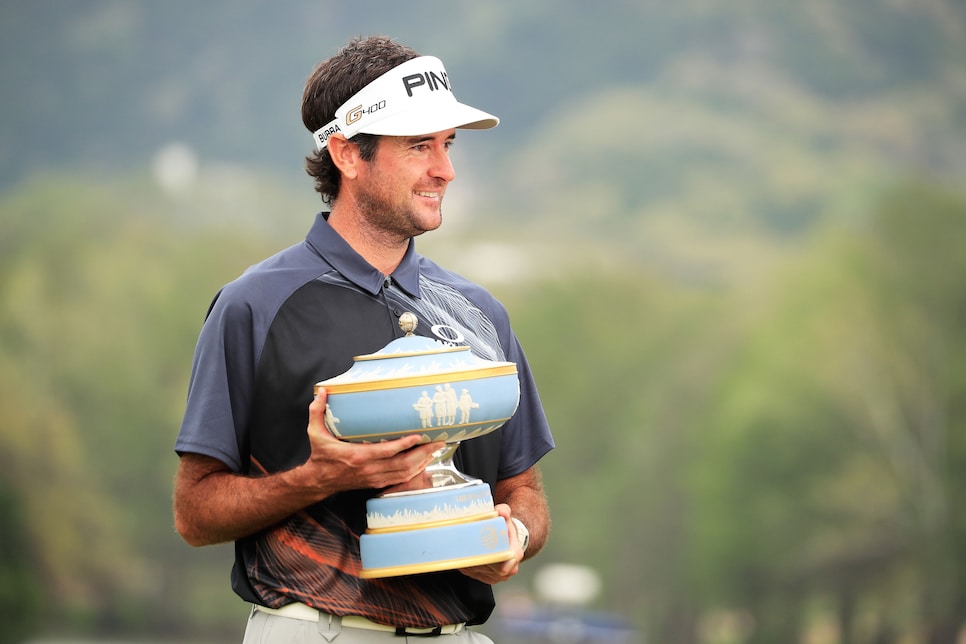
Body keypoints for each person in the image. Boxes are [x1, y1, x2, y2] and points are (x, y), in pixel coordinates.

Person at [173, 35, 554, 643]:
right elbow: (195, 512)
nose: (445, 170)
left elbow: (524, 490)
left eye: (447, 145)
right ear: (348, 154)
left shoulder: (482, 314)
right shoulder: (253, 305)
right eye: (418, 146)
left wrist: (513, 540)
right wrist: (318, 477)